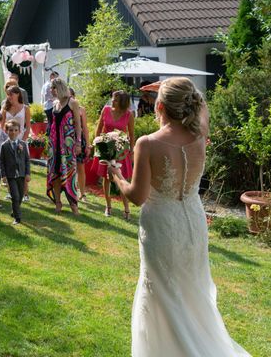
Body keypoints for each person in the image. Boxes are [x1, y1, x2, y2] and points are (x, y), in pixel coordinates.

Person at [108, 77, 250, 357]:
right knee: (189, 291)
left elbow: (137, 196)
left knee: (162, 293)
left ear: (159, 106)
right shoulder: (199, 138)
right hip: (193, 223)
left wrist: (117, 175)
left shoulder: (147, 143)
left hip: (162, 226)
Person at [92, 90, 135, 220]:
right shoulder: (105, 110)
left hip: (121, 150)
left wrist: (131, 151)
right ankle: (108, 206)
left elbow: (131, 134)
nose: (112, 101)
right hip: (105, 147)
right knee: (106, 177)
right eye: (112, 98)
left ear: (122, 102)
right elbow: (99, 129)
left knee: (121, 179)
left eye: (115, 99)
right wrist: (97, 143)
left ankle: (126, 209)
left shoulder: (129, 115)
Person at [46, 78, 81, 215]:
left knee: (70, 172)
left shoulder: (72, 103)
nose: (51, 90)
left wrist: (78, 142)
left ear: (58, 88)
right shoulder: (55, 104)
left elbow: (77, 124)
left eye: (53, 88)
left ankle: (73, 204)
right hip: (54, 143)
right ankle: (58, 202)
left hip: (68, 144)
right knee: (54, 171)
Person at [0, 119, 31, 225]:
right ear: (6, 131)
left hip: (21, 174)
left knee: (21, 195)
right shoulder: (4, 146)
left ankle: (14, 211)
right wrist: (3, 175)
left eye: (15, 130)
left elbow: (27, 160)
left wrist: (28, 173)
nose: (13, 132)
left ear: (19, 131)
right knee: (15, 196)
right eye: (11, 130)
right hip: (11, 174)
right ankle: (18, 218)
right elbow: (2, 162)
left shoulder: (23, 144)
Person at [70, 88, 90, 201]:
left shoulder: (81, 109)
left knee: (80, 167)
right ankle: (71, 191)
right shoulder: (64, 109)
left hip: (79, 140)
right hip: (67, 140)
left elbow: (85, 128)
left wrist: (87, 144)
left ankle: (82, 193)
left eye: (72, 96)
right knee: (69, 168)